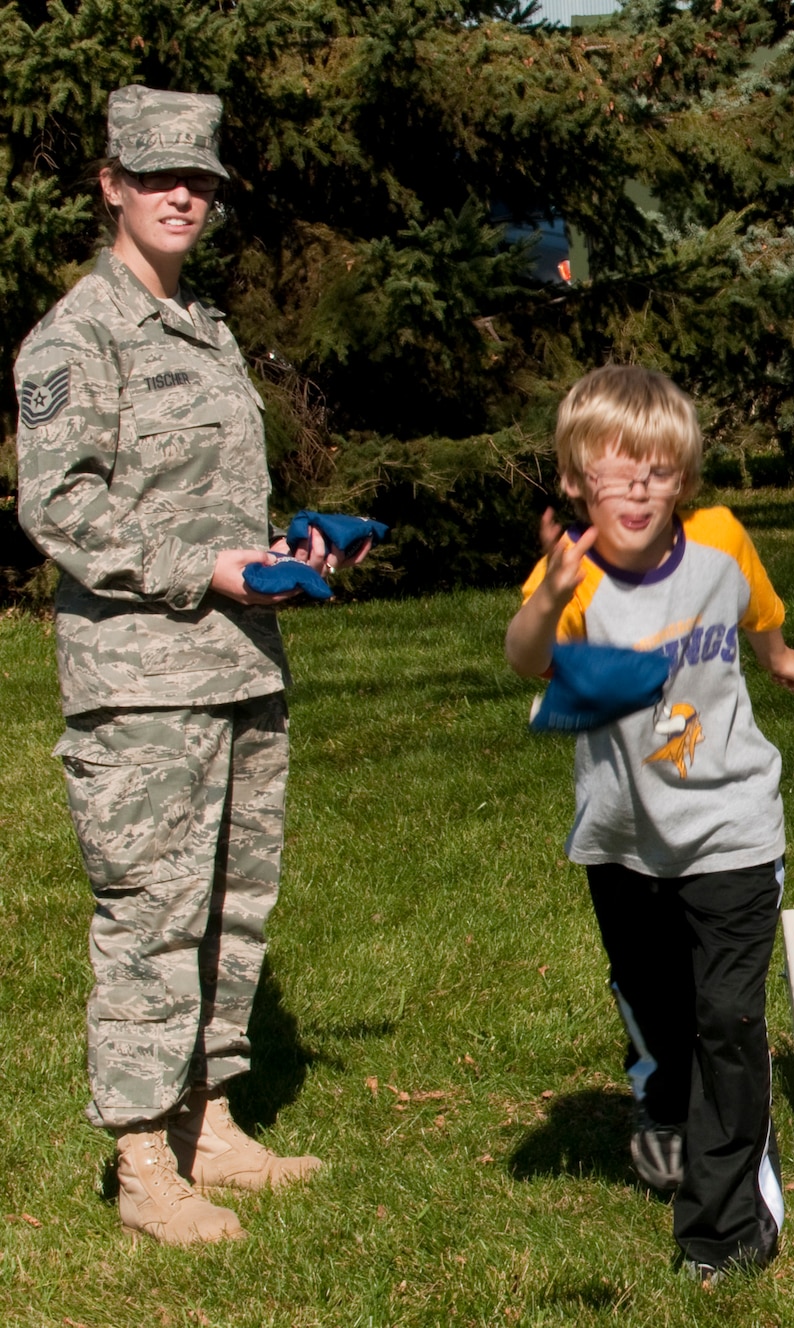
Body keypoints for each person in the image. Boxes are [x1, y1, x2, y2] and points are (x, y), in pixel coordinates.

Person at [13, 87, 364, 1242]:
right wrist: (200, 567)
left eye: (199, 180)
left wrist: (281, 549)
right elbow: (58, 510)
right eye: (158, 175)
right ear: (110, 182)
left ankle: (208, 1121)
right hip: (141, 684)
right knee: (150, 916)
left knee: (231, 907)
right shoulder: (77, 336)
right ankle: (140, 1164)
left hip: (239, 667)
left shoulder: (204, 329)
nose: (181, 196)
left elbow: (209, 506)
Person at [505, 365, 794, 1278]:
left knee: (726, 1018)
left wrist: (778, 654)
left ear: (682, 478)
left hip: (731, 825)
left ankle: (726, 1230)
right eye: (616, 471)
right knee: (657, 1006)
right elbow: (525, 661)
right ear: (574, 482)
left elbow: (754, 601)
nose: (639, 489)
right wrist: (543, 597)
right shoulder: (568, 576)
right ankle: (665, 1104)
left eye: (658, 471)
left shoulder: (721, 539)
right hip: (620, 837)